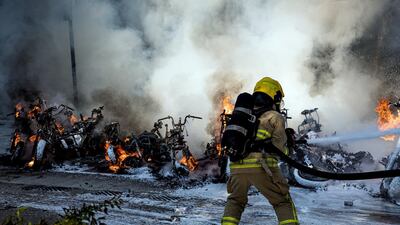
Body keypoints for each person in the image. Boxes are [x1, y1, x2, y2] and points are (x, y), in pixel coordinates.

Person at [221, 77, 299, 225]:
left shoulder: (243, 116)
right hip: (262, 167)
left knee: (236, 201)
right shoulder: (275, 117)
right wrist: (289, 147)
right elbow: (279, 151)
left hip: (237, 168)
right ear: (274, 97)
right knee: (282, 202)